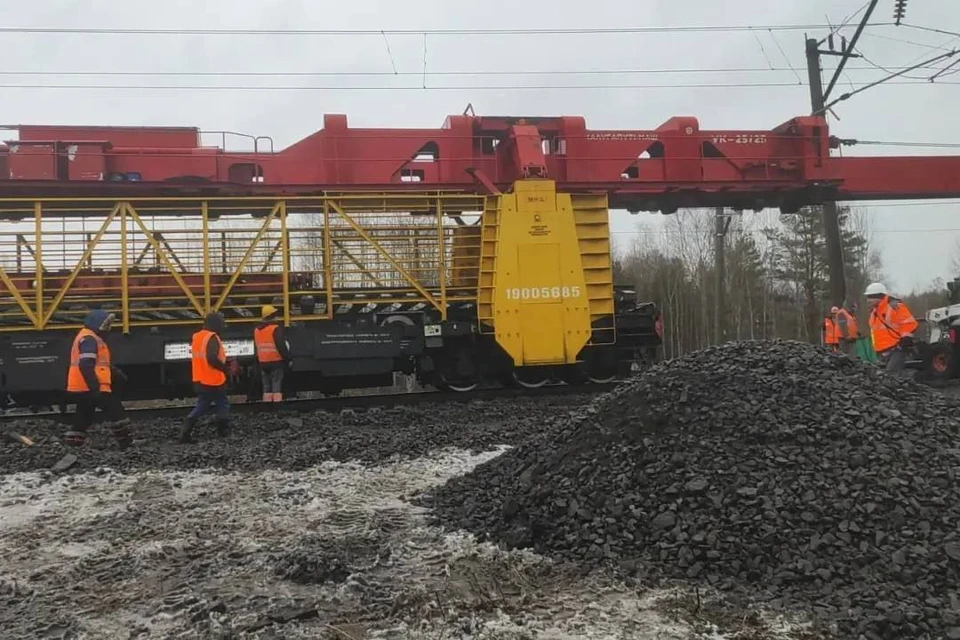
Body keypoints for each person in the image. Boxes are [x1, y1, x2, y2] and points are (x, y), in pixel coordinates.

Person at [64, 309, 132, 449]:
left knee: (83, 417)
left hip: (81, 386)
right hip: (93, 386)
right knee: (116, 411)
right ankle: (127, 444)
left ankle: (72, 445)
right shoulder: (90, 339)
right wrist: (94, 386)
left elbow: (97, 363)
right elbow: (86, 364)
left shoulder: (88, 337)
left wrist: (115, 372)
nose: (107, 329)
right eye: (105, 325)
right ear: (97, 324)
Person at [179, 312, 231, 444]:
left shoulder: (198, 337)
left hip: (200, 379)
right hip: (213, 379)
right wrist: (225, 369)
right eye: (221, 323)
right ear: (214, 324)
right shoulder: (211, 337)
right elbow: (212, 358)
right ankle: (223, 432)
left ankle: (186, 430)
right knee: (222, 403)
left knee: (202, 405)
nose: (222, 326)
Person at [864, 282, 918, 376]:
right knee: (888, 378)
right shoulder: (874, 312)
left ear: (880, 297)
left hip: (896, 349)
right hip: (882, 352)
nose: (868, 300)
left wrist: (903, 342)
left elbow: (910, 324)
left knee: (891, 377)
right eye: (867, 297)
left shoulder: (895, 307)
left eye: (871, 297)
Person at [254, 304, 290, 402]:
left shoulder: (257, 330)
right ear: (273, 315)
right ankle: (277, 405)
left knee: (266, 386)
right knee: (276, 384)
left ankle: (267, 406)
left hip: (263, 363)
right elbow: (281, 345)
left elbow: (256, 347)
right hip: (276, 361)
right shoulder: (275, 329)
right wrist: (287, 358)